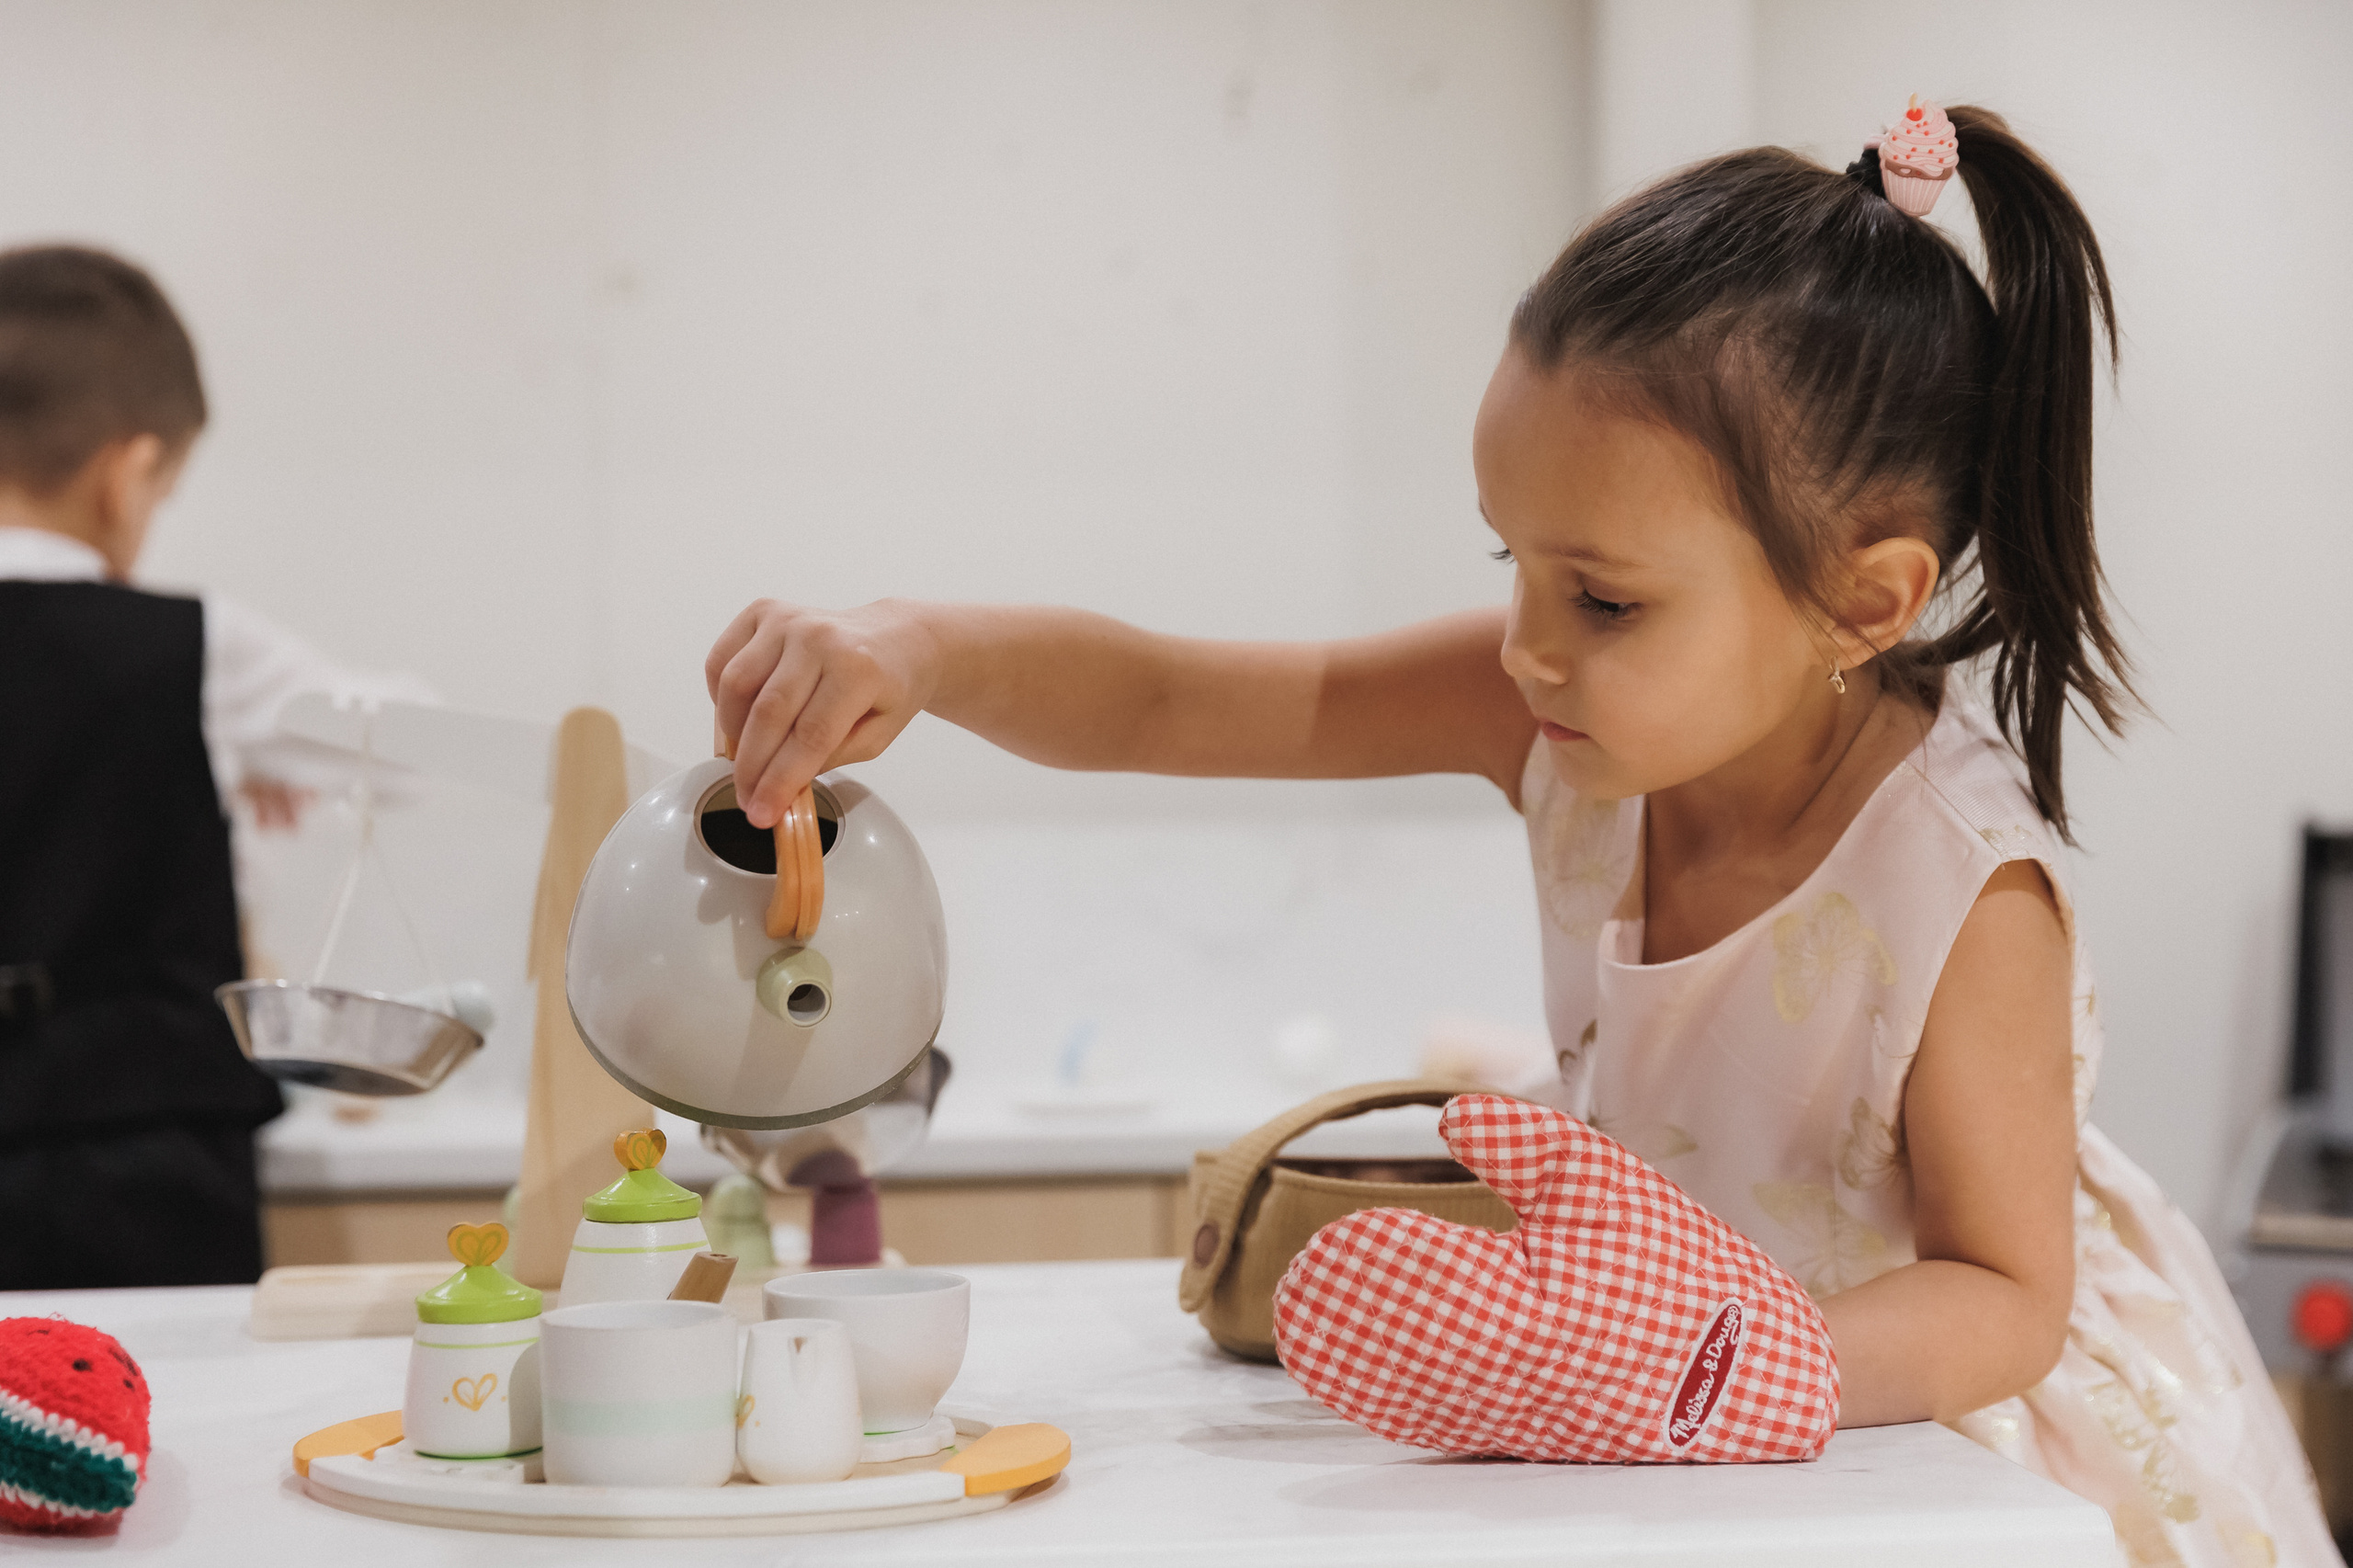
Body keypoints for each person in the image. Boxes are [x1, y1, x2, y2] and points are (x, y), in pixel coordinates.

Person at [700, 102, 2334, 1563]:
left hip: (1936, 1433)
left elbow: (2007, 1298)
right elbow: (1166, 704)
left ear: (1864, 601)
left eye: (1605, 600)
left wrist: (1729, 1368)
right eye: (1514, 564)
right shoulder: (1552, 717)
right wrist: (923, 647)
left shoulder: (1966, 887)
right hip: (1684, 1426)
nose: (1531, 647)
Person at [0, 245, 425, 1290]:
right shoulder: (192, 649)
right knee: (151, 1393)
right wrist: (253, 747)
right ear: (128, 473)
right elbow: (410, 744)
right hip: (141, 1158)